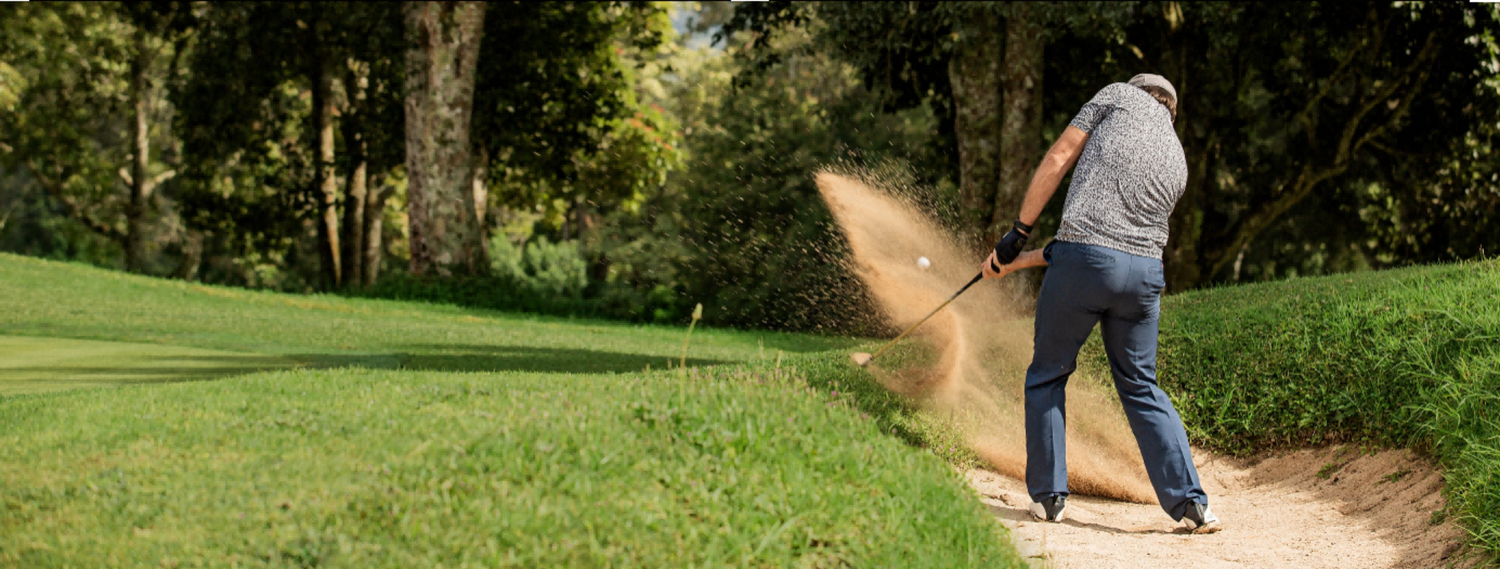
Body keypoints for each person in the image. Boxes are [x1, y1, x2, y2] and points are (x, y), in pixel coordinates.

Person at [980, 74, 1221, 534]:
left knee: (1048, 373)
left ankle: (1049, 498)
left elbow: (1060, 157)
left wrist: (1018, 233)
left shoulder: (1116, 96)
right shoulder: (1177, 155)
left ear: (1138, 90)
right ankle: (1193, 505)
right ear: (1170, 109)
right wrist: (1015, 263)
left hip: (1084, 265)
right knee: (1141, 385)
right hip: (1144, 276)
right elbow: (1112, 248)